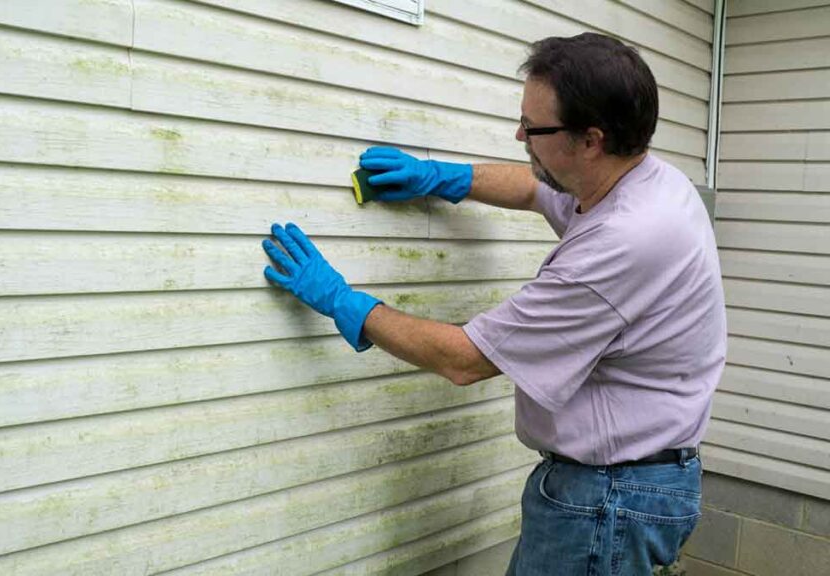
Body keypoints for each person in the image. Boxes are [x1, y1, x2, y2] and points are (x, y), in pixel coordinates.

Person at [261, 33, 726, 575]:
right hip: (627, 487)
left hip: (609, 501)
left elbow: (465, 359)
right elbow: (535, 190)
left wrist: (342, 301)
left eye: (533, 127)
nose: (519, 134)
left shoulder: (621, 244)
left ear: (590, 140)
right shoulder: (647, 179)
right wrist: (441, 177)